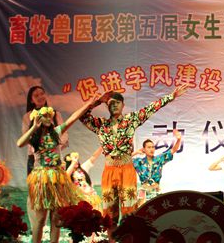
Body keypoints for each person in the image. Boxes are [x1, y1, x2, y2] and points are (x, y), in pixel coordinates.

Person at [79, 85, 188, 238]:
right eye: (110, 103)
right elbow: (82, 116)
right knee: (109, 214)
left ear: (123, 105)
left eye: (117, 102)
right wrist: (99, 101)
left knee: (128, 212)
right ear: (107, 106)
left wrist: (172, 96)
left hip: (127, 170)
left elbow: (151, 108)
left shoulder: (131, 120)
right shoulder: (101, 125)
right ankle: (111, 241)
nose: (114, 105)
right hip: (109, 171)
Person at [17, 91, 111, 243]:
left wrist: (89, 104)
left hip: (58, 178)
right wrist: (34, 127)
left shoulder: (56, 132)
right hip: (42, 178)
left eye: (50, 116)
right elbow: (19, 143)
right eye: (45, 116)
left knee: (56, 219)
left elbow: (73, 117)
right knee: (40, 220)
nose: (49, 118)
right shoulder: (34, 136)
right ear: (38, 119)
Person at [22, 86, 69, 175]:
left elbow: (64, 134)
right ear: (31, 100)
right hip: (35, 157)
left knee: (56, 182)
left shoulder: (55, 114)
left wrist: (54, 146)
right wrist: (37, 147)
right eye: (36, 95)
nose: (40, 97)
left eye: (42, 94)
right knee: (37, 182)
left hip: (54, 156)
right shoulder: (28, 116)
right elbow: (25, 136)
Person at [131, 129, 183, 204]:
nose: (151, 149)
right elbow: (125, 160)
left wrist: (179, 139)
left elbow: (173, 150)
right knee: (142, 209)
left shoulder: (159, 159)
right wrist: (136, 152)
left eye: (153, 147)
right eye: (149, 147)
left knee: (158, 208)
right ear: (144, 149)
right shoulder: (139, 162)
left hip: (156, 190)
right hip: (143, 192)